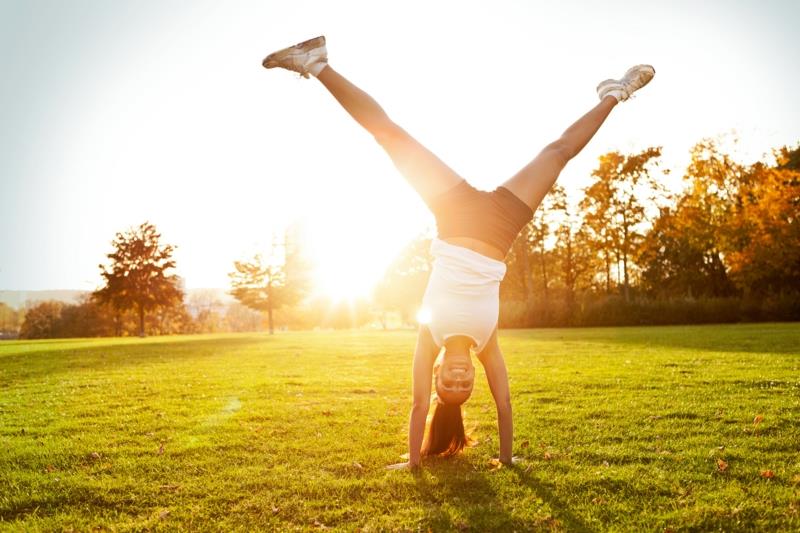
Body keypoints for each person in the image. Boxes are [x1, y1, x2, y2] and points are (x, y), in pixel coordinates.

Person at [262, 36, 654, 469]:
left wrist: (412, 464)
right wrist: (507, 460)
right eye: (464, 386)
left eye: (449, 383)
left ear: (438, 376)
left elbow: (416, 407)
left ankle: (316, 64)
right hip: (502, 224)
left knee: (390, 136)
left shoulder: (429, 336)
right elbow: (505, 406)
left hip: (453, 213)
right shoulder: (487, 344)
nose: (460, 378)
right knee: (558, 153)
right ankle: (615, 93)